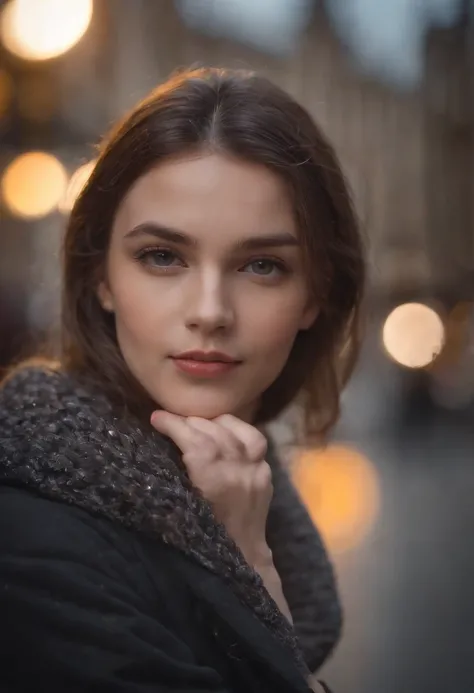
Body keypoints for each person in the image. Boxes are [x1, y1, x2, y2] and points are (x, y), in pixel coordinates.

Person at [0, 67, 364, 692]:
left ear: (316, 296)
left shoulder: (247, 489)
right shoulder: (31, 540)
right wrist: (246, 573)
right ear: (100, 277)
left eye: (262, 265)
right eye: (163, 257)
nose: (211, 311)